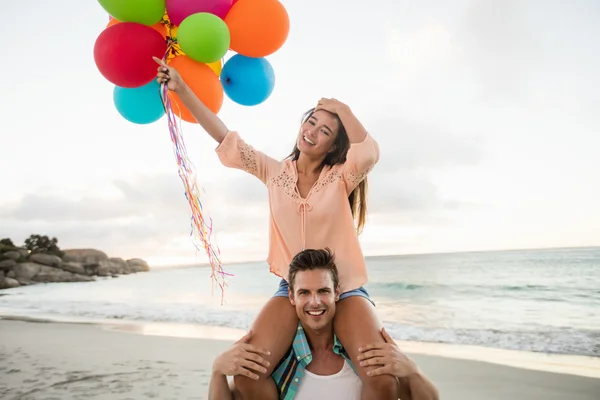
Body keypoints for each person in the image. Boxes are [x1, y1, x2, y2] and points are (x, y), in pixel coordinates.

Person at [154, 57, 395, 399]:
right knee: (247, 373)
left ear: (334, 145)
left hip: (347, 288)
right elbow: (225, 137)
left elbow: (369, 151)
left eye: (325, 131)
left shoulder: (341, 176)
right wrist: (182, 89)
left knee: (383, 376)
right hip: (291, 288)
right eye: (310, 123)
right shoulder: (274, 173)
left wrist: (340, 107)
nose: (312, 132)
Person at [208, 249, 439, 400]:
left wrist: (413, 371)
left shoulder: (365, 360)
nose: (315, 301)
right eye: (304, 293)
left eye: (323, 291)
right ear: (291, 297)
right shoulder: (279, 366)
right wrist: (217, 371)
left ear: (337, 293)